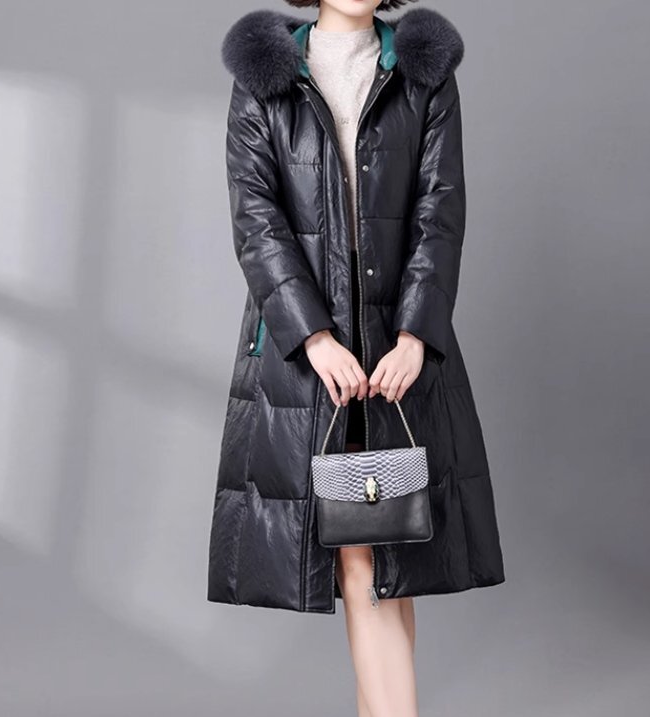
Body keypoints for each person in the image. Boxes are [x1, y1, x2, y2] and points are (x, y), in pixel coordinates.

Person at [210, 2, 505, 715]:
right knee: (361, 558)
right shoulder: (263, 75)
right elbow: (256, 218)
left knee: (385, 559)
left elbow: (441, 209)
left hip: (396, 349)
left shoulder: (424, 71)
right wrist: (313, 337)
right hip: (307, 357)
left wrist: (415, 336)